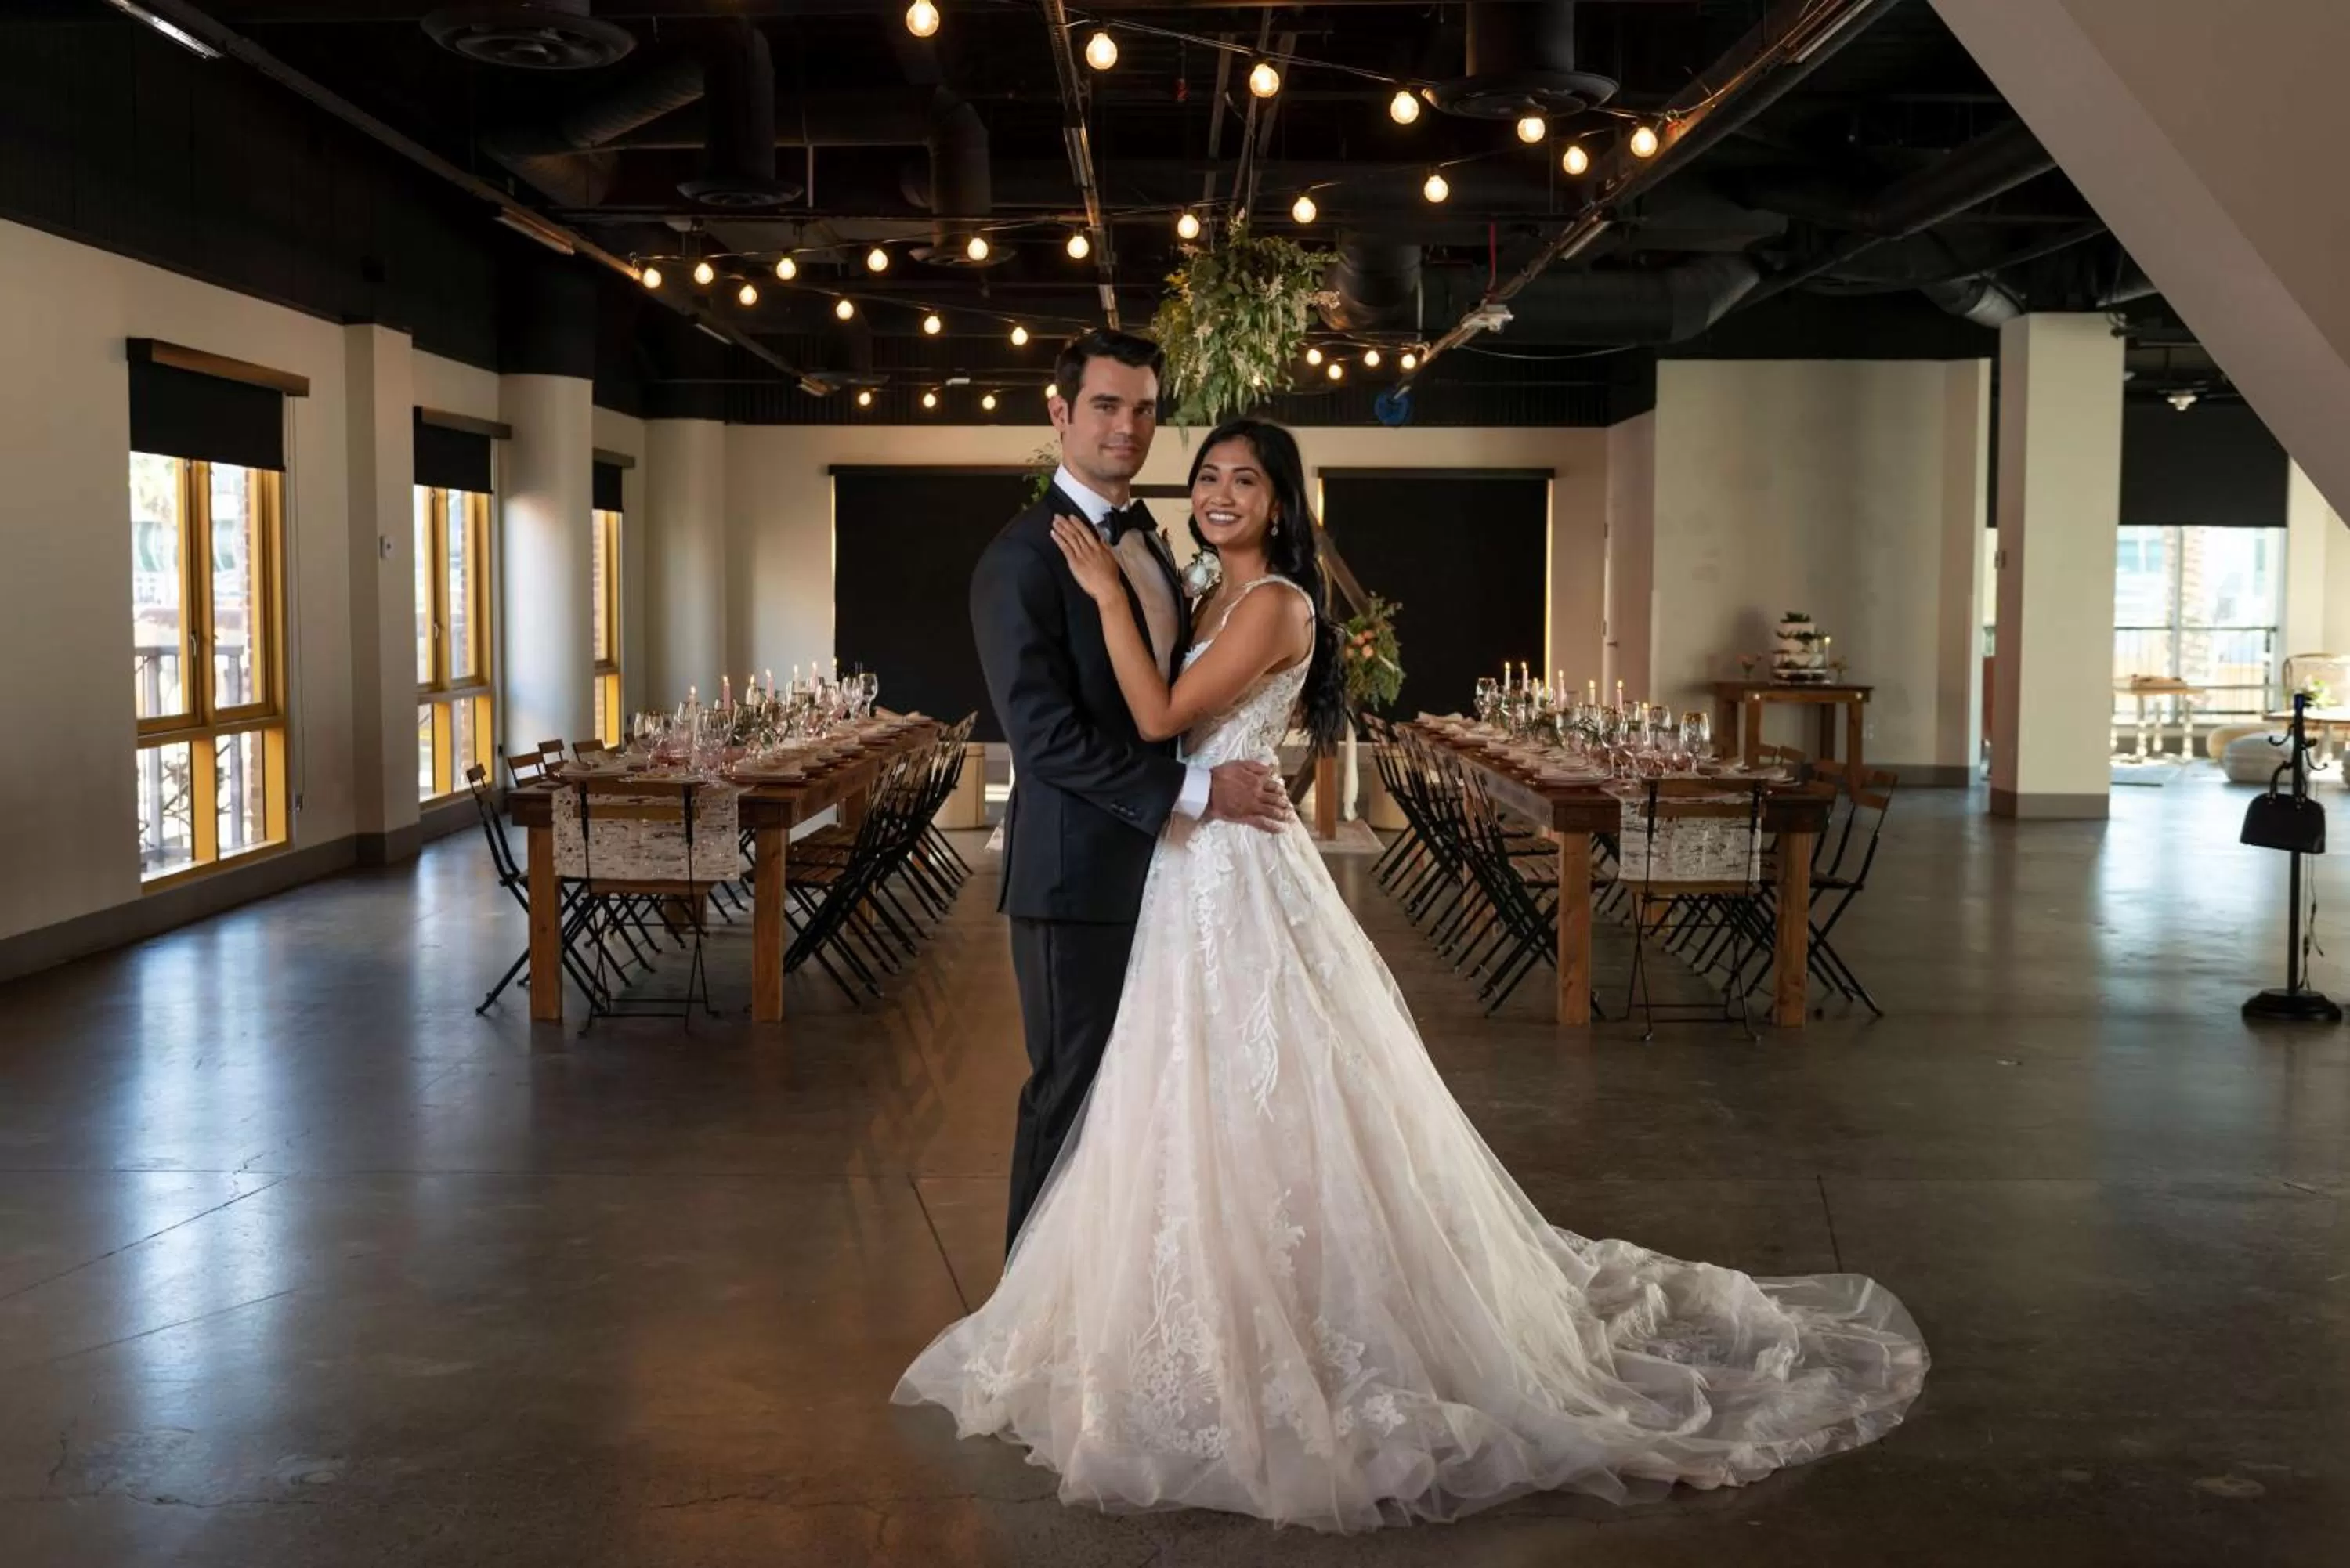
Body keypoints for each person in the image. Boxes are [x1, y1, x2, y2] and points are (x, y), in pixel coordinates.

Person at [898, 414, 1929, 1531]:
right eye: (1207, 477)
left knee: (1273, 1085)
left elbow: (1156, 714)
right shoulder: (1208, 594)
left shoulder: (1277, 605)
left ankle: (1300, 1308)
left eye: (1246, 479)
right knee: (1182, 1091)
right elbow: (1155, 728)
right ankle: (1179, 1305)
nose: (1220, 493)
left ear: (1283, 504)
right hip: (1190, 865)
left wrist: (1105, 600)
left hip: (1236, 864)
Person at [967, 329, 1293, 1255]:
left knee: (1146, 1097)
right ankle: (1027, 1315)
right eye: (1106, 406)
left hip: (1172, 873)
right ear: (1061, 411)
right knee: (1070, 1089)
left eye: (1145, 408)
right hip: (1076, 877)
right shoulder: (1022, 560)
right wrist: (1199, 789)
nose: (1128, 426)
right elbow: (1046, 743)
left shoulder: (1153, 536)